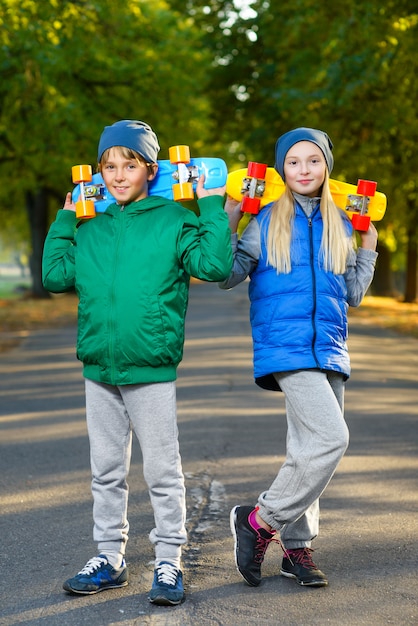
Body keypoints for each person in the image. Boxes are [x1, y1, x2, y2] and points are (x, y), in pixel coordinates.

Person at [42, 120, 232, 605]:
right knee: (105, 471)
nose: (119, 175)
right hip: (99, 371)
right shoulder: (92, 228)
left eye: (130, 165)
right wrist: (65, 220)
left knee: (163, 473)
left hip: (149, 368)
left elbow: (213, 266)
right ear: (99, 172)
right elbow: (55, 275)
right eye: (109, 166)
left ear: (150, 169)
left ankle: (168, 561)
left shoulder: (174, 219)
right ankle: (110, 557)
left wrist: (209, 206)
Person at [219, 127, 378, 588]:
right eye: (293, 162)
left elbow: (353, 294)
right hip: (285, 348)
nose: (303, 169)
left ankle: (298, 548)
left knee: (307, 450)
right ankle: (259, 521)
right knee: (331, 439)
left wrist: (367, 247)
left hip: (329, 349)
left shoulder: (342, 224)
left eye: (313, 161)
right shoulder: (266, 221)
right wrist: (229, 219)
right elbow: (227, 275)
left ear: (326, 167)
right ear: (280, 169)